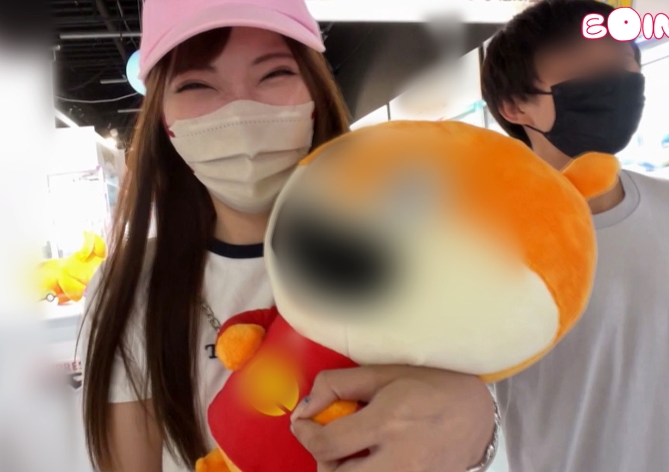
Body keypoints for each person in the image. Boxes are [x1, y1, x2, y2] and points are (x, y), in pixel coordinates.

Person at [80, 1, 497, 471]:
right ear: (164, 119)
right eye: (196, 84)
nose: (240, 109)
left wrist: (478, 421)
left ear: (315, 94)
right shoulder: (132, 286)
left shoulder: (413, 245)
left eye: (274, 73)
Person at [481, 0, 669, 471]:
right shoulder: (482, 238)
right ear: (514, 105)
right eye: (583, 63)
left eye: (624, 61)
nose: (614, 78)